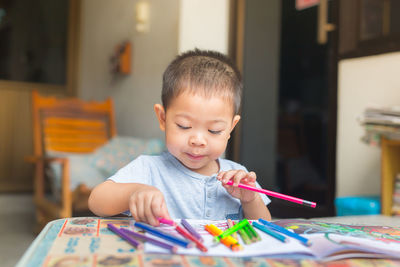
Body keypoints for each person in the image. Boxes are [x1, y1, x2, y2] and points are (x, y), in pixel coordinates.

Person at [88, 49, 271, 226]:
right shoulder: (149, 170)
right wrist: (134, 192)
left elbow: (265, 225)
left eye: (214, 130)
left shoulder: (238, 175)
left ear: (231, 127)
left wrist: (250, 199)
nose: (198, 140)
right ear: (163, 118)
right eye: (184, 126)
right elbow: (96, 201)